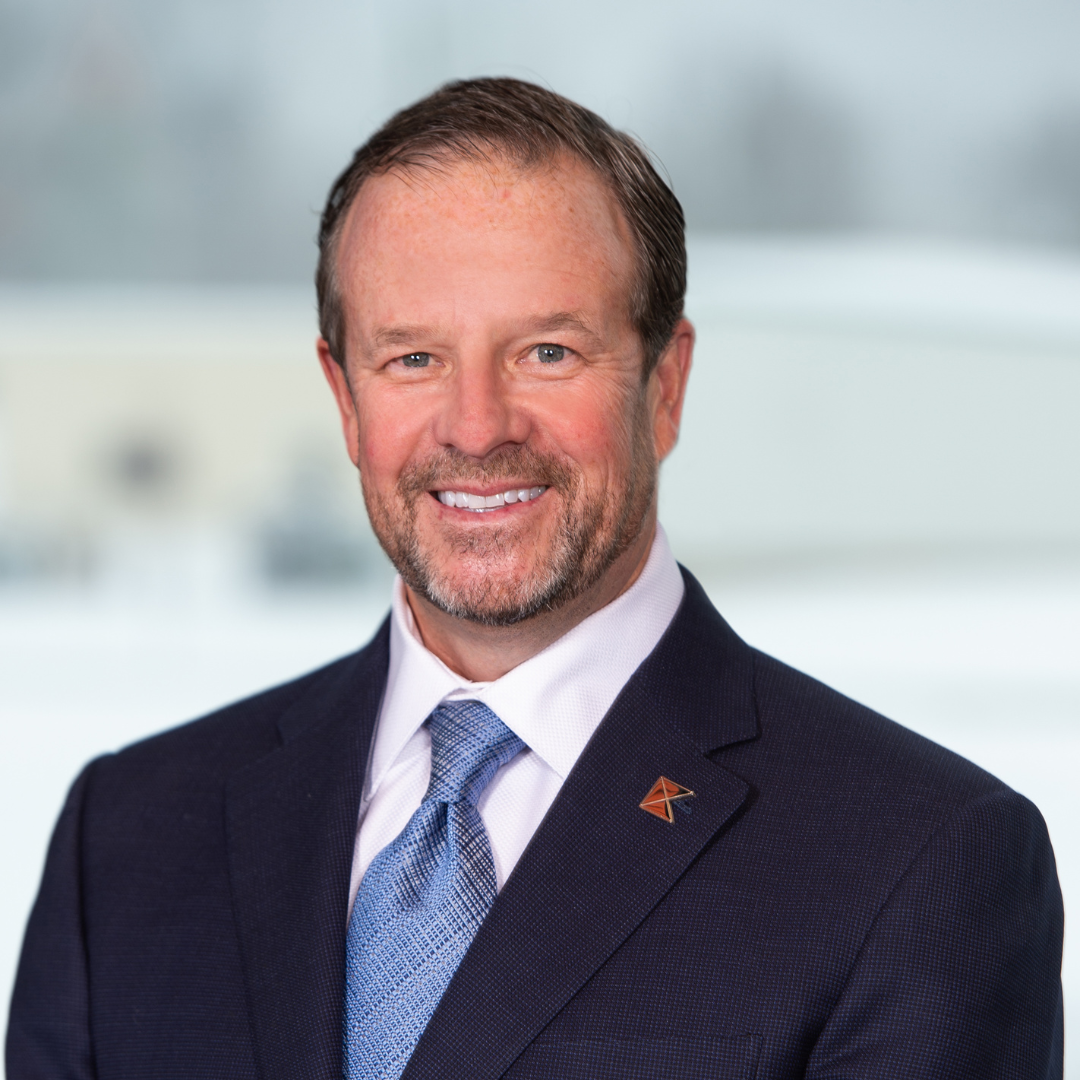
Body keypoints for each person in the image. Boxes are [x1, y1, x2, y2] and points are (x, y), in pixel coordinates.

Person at [7, 78, 1062, 1080]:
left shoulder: (916, 866)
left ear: (666, 383)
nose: (476, 427)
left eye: (547, 353)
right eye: (411, 359)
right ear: (342, 396)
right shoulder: (130, 838)